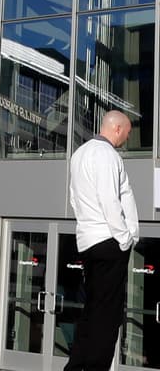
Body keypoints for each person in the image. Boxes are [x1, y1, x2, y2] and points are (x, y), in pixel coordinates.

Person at [65, 110, 139, 371]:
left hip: (88, 241)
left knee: (92, 308)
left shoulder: (78, 154)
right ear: (117, 129)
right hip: (109, 240)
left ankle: (75, 366)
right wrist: (124, 239)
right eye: (128, 132)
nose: (127, 137)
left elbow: (74, 199)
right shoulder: (107, 156)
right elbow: (111, 200)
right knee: (108, 314)